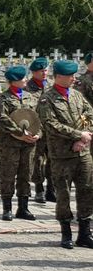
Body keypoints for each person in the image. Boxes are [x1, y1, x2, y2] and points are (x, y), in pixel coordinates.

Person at [37, 60, 93, 250]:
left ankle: (85, 233)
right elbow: (52, 125)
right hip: (62, 156)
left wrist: (84, 139)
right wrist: (78, 135)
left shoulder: (77, 96)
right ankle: (66, 233)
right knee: (63, 194)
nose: (74, 79)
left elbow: (90, 114)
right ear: (59, 77)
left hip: (83, 153)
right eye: (70, 76)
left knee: (87, 190)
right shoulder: (47, 99)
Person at [0, 66, 39, 221]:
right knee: (8, 175)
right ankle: (7, 209)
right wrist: (21, 133)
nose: (26, 80)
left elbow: (38, 118)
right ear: (14, 81)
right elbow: (2, 118)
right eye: (22, 78)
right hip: (10, 144)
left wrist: (38, 133)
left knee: (26, 174)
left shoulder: (30, 97)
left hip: (28, 144)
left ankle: (23, 208)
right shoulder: (4, 99)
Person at [26, 57, 56, 203]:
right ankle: (39, 188)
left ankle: (51, 189)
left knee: (52, 159)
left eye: (46, 70)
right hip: (36, 128)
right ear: (33, 72)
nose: (44, 73)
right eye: (41, 71)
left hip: (51, 128)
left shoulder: (52, 85)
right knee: (37, 159)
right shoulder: (27, 87)